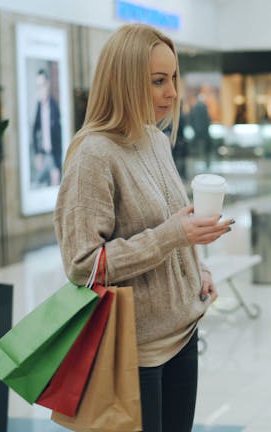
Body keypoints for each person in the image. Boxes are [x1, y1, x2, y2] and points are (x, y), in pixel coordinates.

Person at [54, 24, 235, 432]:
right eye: (157, 81)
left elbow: (169, 223)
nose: (172, 93)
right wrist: (174, 235)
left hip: (183, 331)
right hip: (132, 350)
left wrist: (197, 269)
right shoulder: (94, 155)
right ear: (123, 81)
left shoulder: (155, 140)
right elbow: (83, 265)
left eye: (173, 78)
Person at [31, 68, 62, 187]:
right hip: (43, 155)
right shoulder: (38, 107)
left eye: (43, 85)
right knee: (38, 183)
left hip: (54, 156)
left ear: (48, 84)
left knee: (55, 185)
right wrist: (37, 152)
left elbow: (59, 136)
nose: (41, 90)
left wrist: (58, 162)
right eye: (38, 87)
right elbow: (35, 131)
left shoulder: (54, 107)